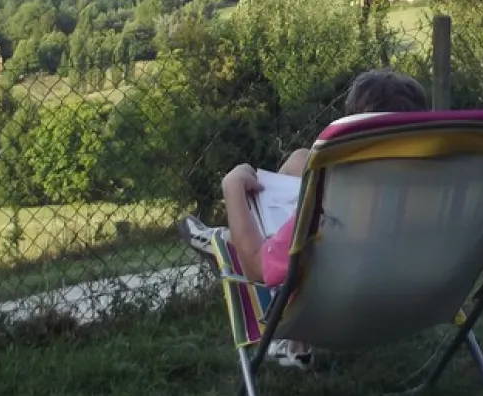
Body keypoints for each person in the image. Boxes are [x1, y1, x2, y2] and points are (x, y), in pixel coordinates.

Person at [177, 68, 429, 369]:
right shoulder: (442, 189)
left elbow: (258, 268)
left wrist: (231, 187)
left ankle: (225, 239)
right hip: (412, 299)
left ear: (353, 133)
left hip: (337, 306)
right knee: (300, 159)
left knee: (270, 239)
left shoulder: (338, 197)